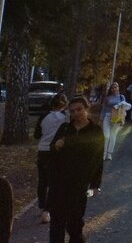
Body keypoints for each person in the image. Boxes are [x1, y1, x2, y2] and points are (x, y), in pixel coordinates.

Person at [48, 95, 104, 243]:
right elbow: (52, 151)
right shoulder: (65, 128)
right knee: (57, 221)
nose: (76, 114)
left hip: (79, 184)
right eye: (72, 111)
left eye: (79, 109)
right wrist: (56, 146)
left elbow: (98, 159)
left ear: (86, 109)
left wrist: (95, 184)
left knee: (75, 222)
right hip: (59, 182)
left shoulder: (95, 131)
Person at [35, 93, 68, 225]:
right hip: (55, 151)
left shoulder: (44, 116)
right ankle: (47, 211)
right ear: (64, 104)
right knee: (54, 181)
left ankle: (42, 206)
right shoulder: (65, 117)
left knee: (42, 181)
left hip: (42, 150)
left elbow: (37, 134)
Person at [100, 82, 131, 161]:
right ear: (110, 89)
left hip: (117, 118)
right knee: (106, 136)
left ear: (118, 88)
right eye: (112, 87)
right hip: (107, 116)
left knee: (113, 135)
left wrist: (122, 117)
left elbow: (126, 107)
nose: (114, 89)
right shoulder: (107, 97)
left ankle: (109, 154)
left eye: (116, 87)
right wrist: (101, 118)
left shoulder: (121, 97)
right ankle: (104, 153)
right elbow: (103, 108)